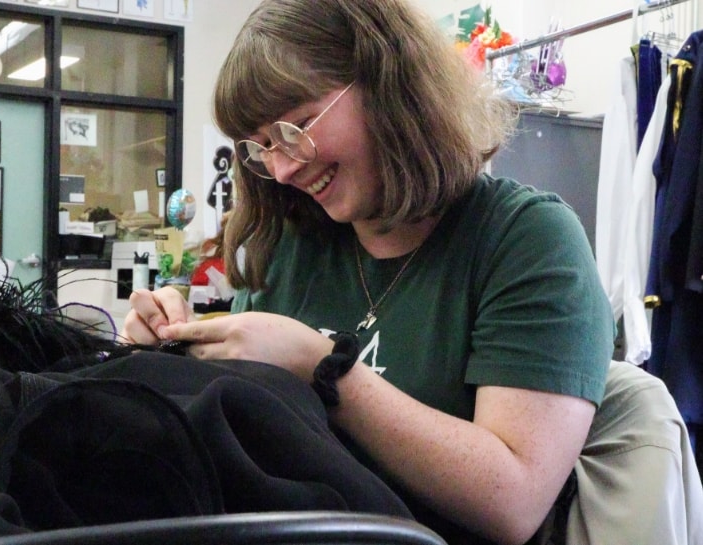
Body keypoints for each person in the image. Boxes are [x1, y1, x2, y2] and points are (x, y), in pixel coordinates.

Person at [121, 0, 615, 543]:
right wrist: (175, 345)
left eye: (298, 126)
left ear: (390, 87)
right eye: (262, 147)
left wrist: (323, 368)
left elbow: (514, 500)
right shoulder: (293, 241)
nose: (283, 169)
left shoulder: (526, 240)